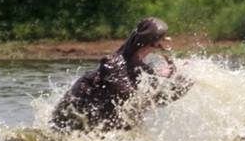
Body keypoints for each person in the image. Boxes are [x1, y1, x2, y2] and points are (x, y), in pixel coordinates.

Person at [51, 17, 191, 131]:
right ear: (151, 41)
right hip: (71, 122)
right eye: (160, 39)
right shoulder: (112, 63)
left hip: (99, 124)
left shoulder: (142, 69)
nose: (166, 42)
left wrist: (172, 69)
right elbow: (129, 96)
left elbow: (157, 95)